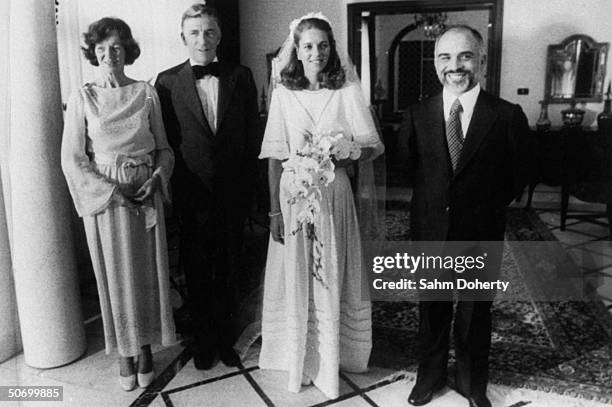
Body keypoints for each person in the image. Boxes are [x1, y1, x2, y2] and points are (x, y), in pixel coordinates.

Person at [399, 25, 532, 407]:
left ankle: (472, 385)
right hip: (430, 229)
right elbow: (412, 170)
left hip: (481, 230)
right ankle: (430, 378)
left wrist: (481, 206)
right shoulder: (417, 114)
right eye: (445, 57)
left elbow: (518, 176)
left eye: (465, 56)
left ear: (482, 61)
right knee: (432, 308)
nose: (454, 66)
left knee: (475, 311)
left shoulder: (506, 116)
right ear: (435, 63)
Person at [258, 13, 385, 399]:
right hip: (293, 197)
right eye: (309, 46)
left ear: (333, 50)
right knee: (297, 272)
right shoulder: (283, 92)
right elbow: (274, 157)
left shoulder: (345, 90)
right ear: (297, 51)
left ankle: (333, 359)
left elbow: (371, 145)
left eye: (323, 45)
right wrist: (274, 212)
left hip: (334, 197)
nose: (316, 53)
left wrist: (341, 154)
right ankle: (298, 355)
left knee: (331, 270)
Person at [61, 17, 176, 391]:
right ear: (93, 54)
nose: (109, 55)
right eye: (101, 50)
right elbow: (73, 158)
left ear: (127, 51)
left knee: (144, 277)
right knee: (114, 276)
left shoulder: (146, 92)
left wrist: (157, 177)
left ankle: (144, 348)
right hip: (106, 198)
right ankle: (124, 353)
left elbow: (163, 148)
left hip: (145, 193)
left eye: (116, 48)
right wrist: (111, 191)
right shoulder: (84, 97)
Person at [154, 4, 259, 370]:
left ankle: (227, 339)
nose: (203, 39)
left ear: (220, 36)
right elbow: (164, 142)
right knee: (197, 269)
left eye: (209, 31)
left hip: (232, 192)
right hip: (191, 194)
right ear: (184, 37)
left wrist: (250, 192)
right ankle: (202, 340)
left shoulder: (241, 76)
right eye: (195, 32)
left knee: (230, 267)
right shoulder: (166, 82)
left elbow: (251, 137)